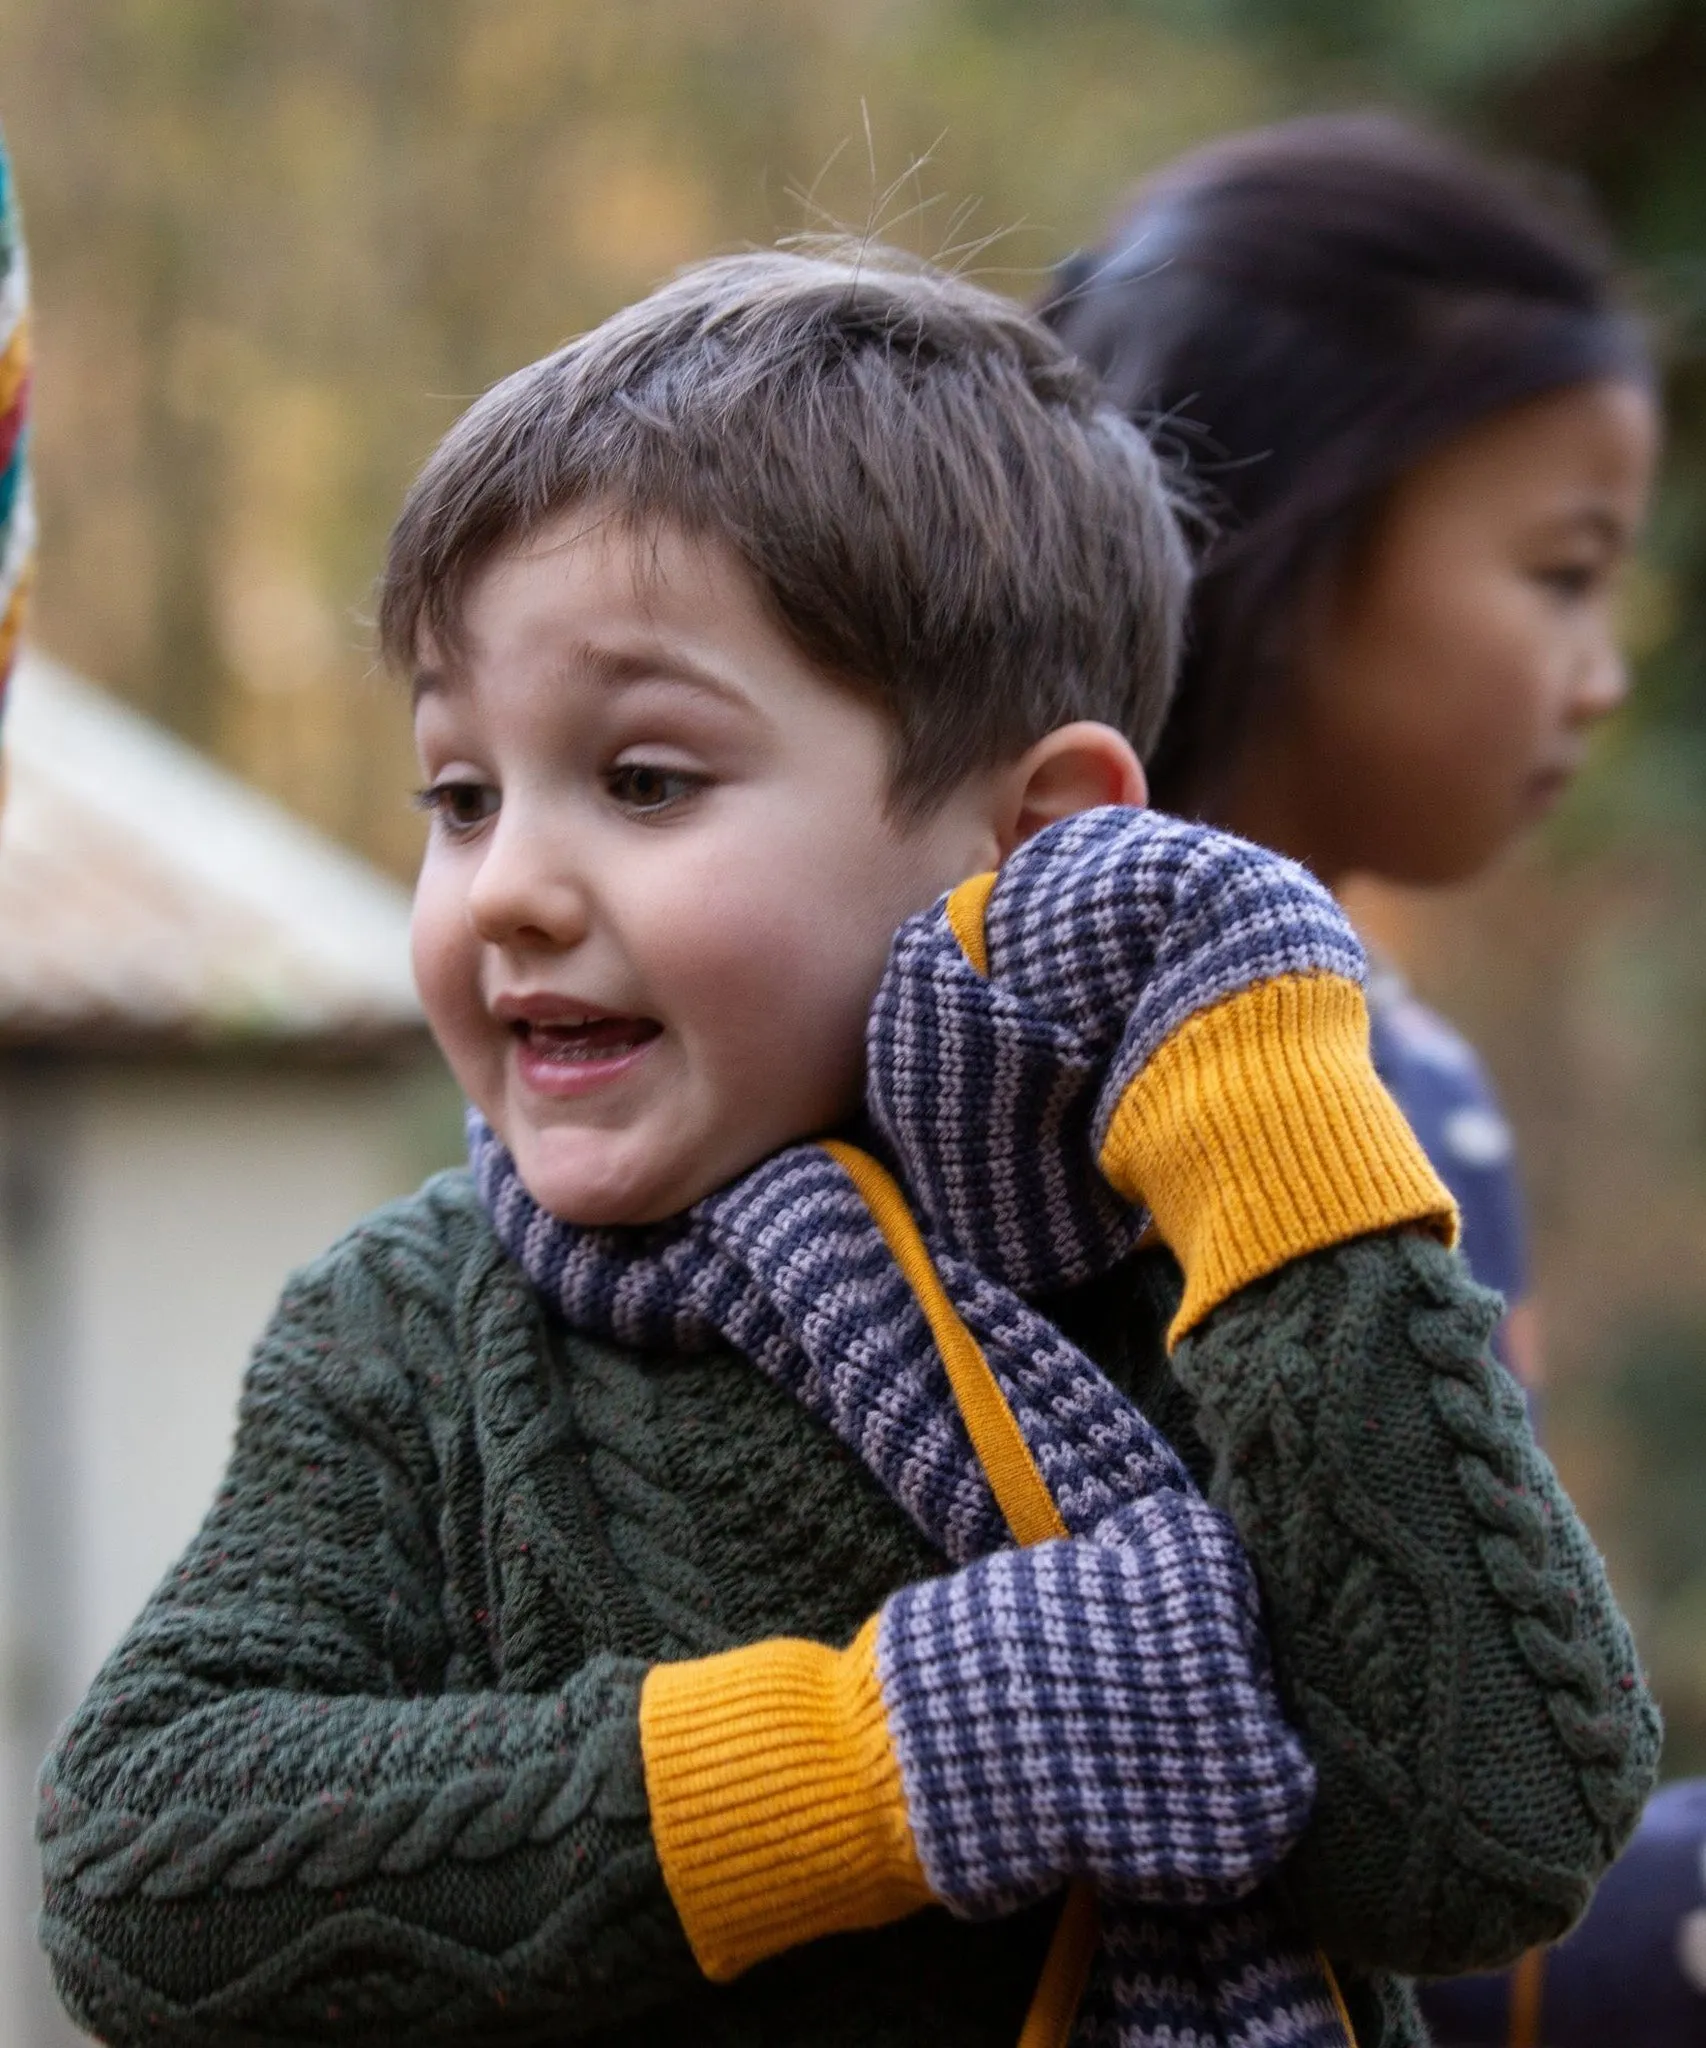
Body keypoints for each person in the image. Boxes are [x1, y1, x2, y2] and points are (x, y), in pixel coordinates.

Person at [37, 245, 1654, 2048]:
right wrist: (869, 1764)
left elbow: (1493, 1837)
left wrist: (1264, 1111)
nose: (504, 888)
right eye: (460, 794)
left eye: (644, 780)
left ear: (1032, 836)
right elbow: (142, 1872)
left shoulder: (1194, 1254)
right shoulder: (411, 1326)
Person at [1041, 112, 1694, 2044]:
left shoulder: (1418, 1069)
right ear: (1290, 535)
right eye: (1560, 571)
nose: (1600, 673)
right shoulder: (1000, 1069)